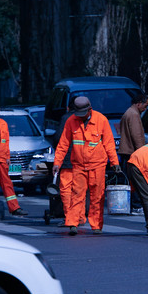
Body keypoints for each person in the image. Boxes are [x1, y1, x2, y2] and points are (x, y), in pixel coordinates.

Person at [52, 96, 120, 235]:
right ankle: (72, 223)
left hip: (98, 165)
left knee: (97, 196)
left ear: (90, 109)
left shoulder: (101, 120)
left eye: (83, 114)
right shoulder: (71, 121)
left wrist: (115, 162)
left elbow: (109, 144)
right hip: (78, 165)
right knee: (77, 194)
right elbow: (63, 144)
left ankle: (96, 226)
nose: (81, 117)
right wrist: (57, 163)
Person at [52, 96, 86, 227]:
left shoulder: (66, 118)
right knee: (80, 190)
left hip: (67, 161)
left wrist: (57, 162)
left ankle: (70, 217)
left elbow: (59, 140)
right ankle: (81, 217)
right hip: (82, 161)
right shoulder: (88, 118)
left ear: (68, 107)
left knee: (66, 190)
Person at [117, 93, 148, 214]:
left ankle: (132, 205)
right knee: (135, 180)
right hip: (133, 152)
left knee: (129, 179)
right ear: (139, 103)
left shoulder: (128, 112)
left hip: (127, 151)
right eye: (145, 105)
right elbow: (137, 136)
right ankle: (136, 206)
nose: (145, 108)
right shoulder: (134, 115)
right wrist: (142, 153)